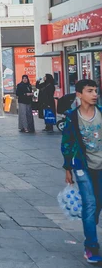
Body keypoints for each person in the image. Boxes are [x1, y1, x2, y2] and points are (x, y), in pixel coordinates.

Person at [61, 79, 102, 264]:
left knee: (97, 204)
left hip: (100, 165)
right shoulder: (72, 116)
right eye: (90, 91)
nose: (95, 94)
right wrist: (67, 168)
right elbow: (67, 143)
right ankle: (91, 246)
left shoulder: (101, 112)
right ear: (79, 94)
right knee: (90, 203)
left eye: (96, 90)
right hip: (81, 166)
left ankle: (89, 227)